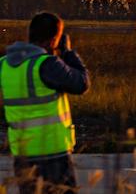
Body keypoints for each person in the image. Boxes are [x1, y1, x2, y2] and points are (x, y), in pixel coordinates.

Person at [1, 12, 90, 194]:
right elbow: (81, 84)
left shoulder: (4, 65)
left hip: (23, 155)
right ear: (52, 40)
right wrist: (68, 54)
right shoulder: (47, 65)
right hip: (53, 155)